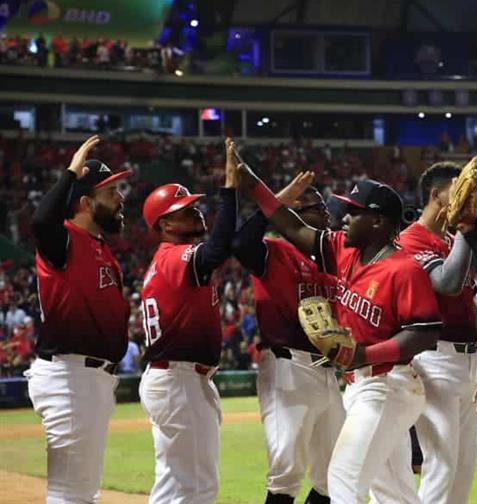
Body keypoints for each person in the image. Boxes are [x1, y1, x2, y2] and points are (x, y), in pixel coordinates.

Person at [238, 167, 442, 504]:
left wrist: (365, 355)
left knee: (343, 481)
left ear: (377, 222)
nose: (343, 217)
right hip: (363, 384)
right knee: (393, 492)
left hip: (388, 384)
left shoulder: (405, 269)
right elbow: (289, 225)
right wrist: (248, 178)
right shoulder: (343, 252)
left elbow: (424, 334)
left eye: (354, 212)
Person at [25, 135, 132, 503]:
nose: (120, 199)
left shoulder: (101, 248)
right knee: (71, 494)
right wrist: (71, 172)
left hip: (91, 378)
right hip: (70, 376)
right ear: (86, 203)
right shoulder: (63, 240)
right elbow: (41, 220)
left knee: (82, 491)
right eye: (110, 192)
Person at [138, 138, 242, 503]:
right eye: (185, 210)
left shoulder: (166, 260)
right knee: (194, 485)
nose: (197, 212)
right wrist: (230, 189)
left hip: (177, 377)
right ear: (165, 223)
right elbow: (218, 247)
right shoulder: (172, 257)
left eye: (195, 206)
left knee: (178, 483)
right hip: (178, 378)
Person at [232, 186, 343, 504]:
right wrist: (274, 204)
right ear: (292, 213)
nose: (325, 214)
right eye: (316, 207)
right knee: (287, 471)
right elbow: (240, 244)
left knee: (334, 473)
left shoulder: (330, 260)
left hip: (326, 369)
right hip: (287, 364)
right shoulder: (273, 250)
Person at [396, 161, 477, 504]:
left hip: (467, 361)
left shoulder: (454, 240)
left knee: (462, 470)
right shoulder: (411, 239)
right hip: (434, 360)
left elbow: (467, 306)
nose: (470, 191)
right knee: (440, 467)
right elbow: (448, 284)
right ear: (437, 195)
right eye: (460, 186)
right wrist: (467, 230)